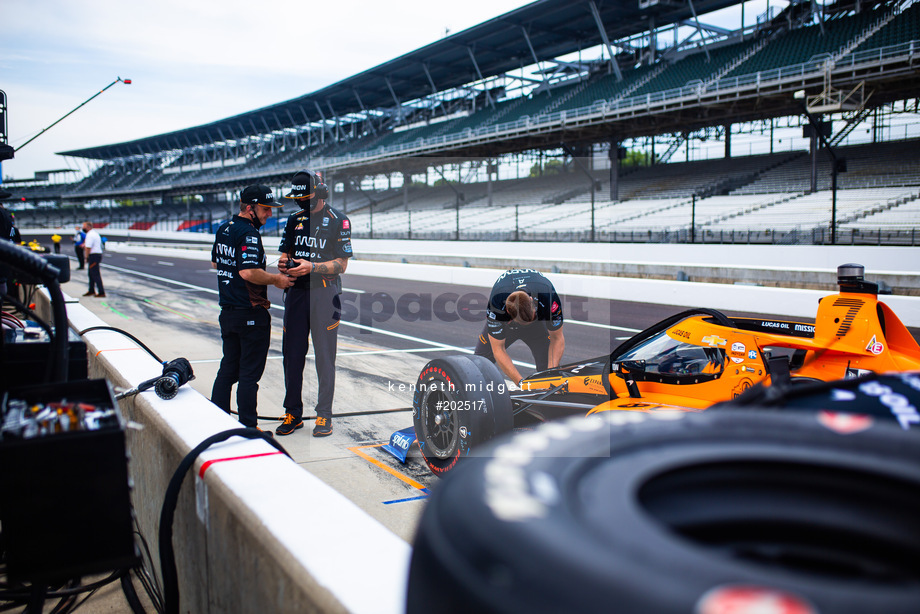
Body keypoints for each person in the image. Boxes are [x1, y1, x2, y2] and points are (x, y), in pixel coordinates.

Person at [275, 170, 353, 437]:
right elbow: (283, 256)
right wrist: (285, 265)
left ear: (320, 193)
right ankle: (293, 413)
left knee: (324, 358)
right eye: (298, 199)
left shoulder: (338, 221)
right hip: (296, 294)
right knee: (292, 356)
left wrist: (313, 267)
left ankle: (324, 415)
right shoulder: (293, 220)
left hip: (325, 294)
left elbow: (342, 265)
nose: (301, 204)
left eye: (305, 198)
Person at [210, 185, 293, 433]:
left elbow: (216, 262)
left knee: (227, 370)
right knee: (248, 375)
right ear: (250, 208)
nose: (269, 214)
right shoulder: (248, 234)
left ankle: (217, 423)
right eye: (265, 209)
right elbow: (247, 272)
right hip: (250, 313)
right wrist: (276, 279)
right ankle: (248, 427)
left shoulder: (224, 228)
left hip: (228, 312)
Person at [474, 268, 565, 386]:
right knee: (479, 364)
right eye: (523, 322)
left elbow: (557, 338)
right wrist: (521, 383)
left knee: (548, 371)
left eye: (531, 318)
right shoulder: (496, 305)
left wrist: (550, 376)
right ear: (507, 311)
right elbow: (498, 349)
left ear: (532, 301)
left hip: (537, 327)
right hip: (508, 326)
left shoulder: (547, 295)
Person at [82, 221, 106, 297]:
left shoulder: (90, 235)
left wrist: (86, 257)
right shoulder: (94, 233)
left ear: (88, 227)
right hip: (96, 255)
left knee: (95, 274)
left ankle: (101, 292)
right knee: (91, 273)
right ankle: (91, 290)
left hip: (94, 255)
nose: (83, 228)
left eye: (84, 226)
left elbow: (88, 247)